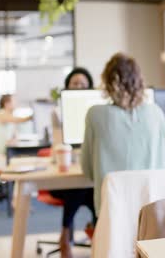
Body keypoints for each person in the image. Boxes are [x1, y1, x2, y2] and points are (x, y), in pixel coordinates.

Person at [81, 51, 165, 219]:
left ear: (107, 83)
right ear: (140, 81)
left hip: (112, 215)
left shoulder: (95, 115)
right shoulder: (157, 113)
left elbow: (88, 171)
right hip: (152, 212)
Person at [48, 67, 96, 258]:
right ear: (67, 86)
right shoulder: (58, 112)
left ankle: (68, 233)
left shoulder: (96, 112)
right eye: (75, 83)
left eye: (83, 84)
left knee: (91, 185)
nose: (79, 87)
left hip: (87, 175)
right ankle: (88, 233)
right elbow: (58, 144)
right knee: (80, 186)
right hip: (63, 177)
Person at [0, 94, 32, 171]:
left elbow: (12, 139)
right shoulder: (0, 114)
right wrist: (32, 116)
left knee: (22, 162)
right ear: (6, 104)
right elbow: (17, 120)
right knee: (17, 167)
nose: (16, 104)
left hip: (2, 155)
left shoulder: (9, 117)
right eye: (14, 101)